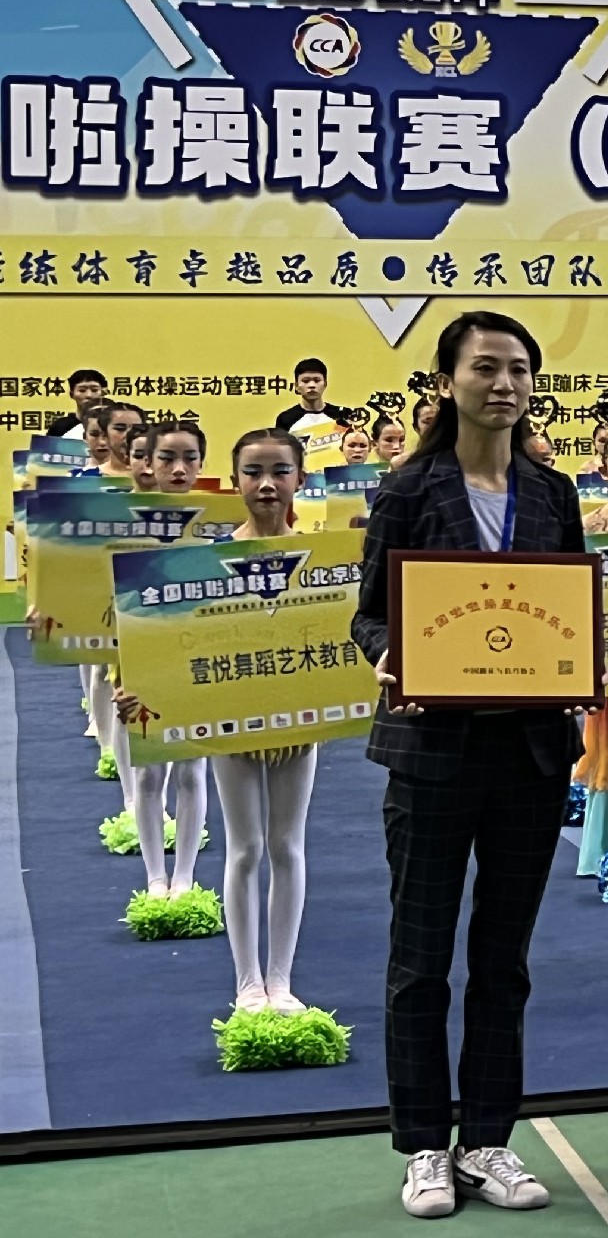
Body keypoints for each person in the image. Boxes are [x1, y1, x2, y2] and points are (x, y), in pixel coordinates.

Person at [354, 310, 587, 1219]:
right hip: (432, 754)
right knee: (419, 961)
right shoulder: (406, 488)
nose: (504, 384)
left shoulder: (552, 491)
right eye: (486, 367)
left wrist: (577, 666)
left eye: (519, 369)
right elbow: (371, 611)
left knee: (504, 961)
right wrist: (389, 655)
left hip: (530, 753)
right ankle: (423, 1144)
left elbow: (568, 607)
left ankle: (488, 1138)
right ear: (447, 380)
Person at [207, 430, 325, 1012]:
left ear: (300, 478)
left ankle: (281, 979)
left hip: (300, 726)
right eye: (253, 472)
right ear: (235, 481)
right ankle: (246, 982)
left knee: (287, 845)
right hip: (227, 726)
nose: (267, 484)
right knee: (245, 847)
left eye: (280, 471)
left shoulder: (323, 562)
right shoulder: (207, 562)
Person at [101, 418, 212, 901]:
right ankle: (153, 877)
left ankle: (184, 874)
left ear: (202, 463)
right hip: (139, 660)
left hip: (199, 663)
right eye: (167, 458)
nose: (178, 468)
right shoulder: (121, 523)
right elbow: (89, 595)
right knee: (149, 773)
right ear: (147, 461)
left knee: (192, 771)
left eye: (189, 458)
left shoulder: (219, 523)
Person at [47, 366, 108, 437]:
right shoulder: (60, 427)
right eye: (82, 390)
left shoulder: (112, 424)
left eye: (94, 390)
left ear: (103, 393)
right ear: (71, 394)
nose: (89, 395)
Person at [276, 358, 333, 431]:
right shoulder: (285, 419)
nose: (312, 385)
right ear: (296, 386)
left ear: (325, 384)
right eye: (306, 381)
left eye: (317, 380)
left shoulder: (342, 415)